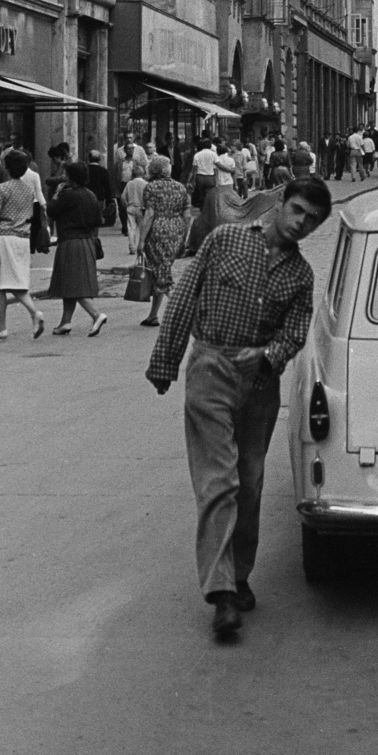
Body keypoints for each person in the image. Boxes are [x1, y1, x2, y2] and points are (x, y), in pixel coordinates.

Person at [146, 175, 332, 640]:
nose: (301, 224)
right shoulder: (225, 239)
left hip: (259, 384)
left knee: (249, 481)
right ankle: (222, 593)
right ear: (281, 204)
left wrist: (268, 356)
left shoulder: (300, 276)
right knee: (220, 481)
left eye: (311, 221)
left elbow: (295, 331)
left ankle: (240, 574)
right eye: (298, 211)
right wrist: (165, 363)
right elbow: (185, 299)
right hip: (210, 366)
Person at [0, 149, 45, 343]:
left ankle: (33, 313)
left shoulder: (2, 189)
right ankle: (1, 328)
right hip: (23, 238)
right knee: (10, 283)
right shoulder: (28, 190)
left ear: (7, 168)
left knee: (2, 283)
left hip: (4, 238)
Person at [45, 160, 107, 336]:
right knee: (70, 282)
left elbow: (50, 211)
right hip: (86, 241)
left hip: (70, 242)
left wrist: (56, 193)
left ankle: (96, 315)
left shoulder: (67, 195)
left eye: (67, 175)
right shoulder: (91, 195)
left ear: (72, 177)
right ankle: (65, 322)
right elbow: (97, 221)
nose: (64, 178)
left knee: (73, 283)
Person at [138, 153, 194, 327]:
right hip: (176, 229)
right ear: (164, 169)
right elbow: (187, 215)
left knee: (162, 274)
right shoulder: (180, 188)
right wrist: (184, 236)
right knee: (162, 269)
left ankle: (187, 312)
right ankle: (153, 314)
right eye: (168, 164)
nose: (170, 166)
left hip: (158, 231)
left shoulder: (151, 188)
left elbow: (149, 214)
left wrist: (141, 240)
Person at [122, 162, 149, 257]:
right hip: (141, 208)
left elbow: (123, 197)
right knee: (142, 228)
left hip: (131, 207)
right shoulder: (146, 184)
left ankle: (132, 247)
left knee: (131, 228)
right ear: (143, 174)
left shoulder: (129, 183)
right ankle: (141, 245)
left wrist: (126, 206)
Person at [191, 137, 218, 208]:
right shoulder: (214, 154)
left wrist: (193, 180)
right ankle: (209, 209)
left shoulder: (197, 155)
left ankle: (202, 209)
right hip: (210, 177)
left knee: (201, 195)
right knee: (210, 195)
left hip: (200, 177)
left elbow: (194, 169)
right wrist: (216, 178)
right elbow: (215, 168)